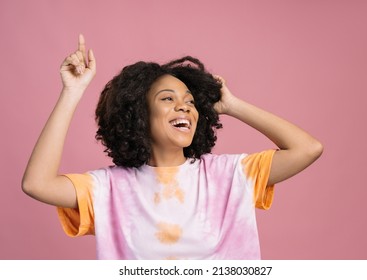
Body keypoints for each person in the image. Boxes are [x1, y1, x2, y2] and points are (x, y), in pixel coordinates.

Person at [22, 35, 323, 260]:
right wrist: (72, 91)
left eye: (190, 102)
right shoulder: (108, 189)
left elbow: (307, 149)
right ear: (139, 114)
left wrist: (232, 106)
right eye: (168, 99)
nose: (184, 107)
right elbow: (38, 184)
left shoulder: (230, 175)